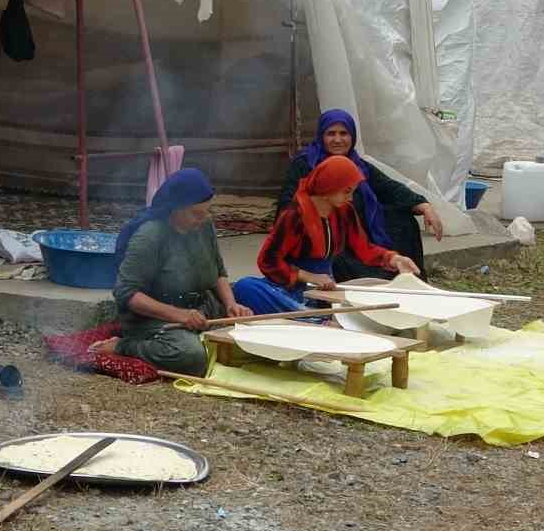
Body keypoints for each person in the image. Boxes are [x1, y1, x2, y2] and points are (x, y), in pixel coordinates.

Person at [87, 168, 253, 376]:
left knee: (249, 338)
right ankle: (125, 346)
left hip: (203, 309)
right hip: (155, 320)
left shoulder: (204, 225)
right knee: (193, 356)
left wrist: (231, 305)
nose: (204, 218)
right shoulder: (150, 236)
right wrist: (179, 315)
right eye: (196, 213)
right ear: (175, 209)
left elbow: (218, 270)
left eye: (207, 211)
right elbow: (126, 293)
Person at [276, 109, 442, 281]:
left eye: (344, 133)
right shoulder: (305, 164)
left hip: (358, 229)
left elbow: (388, 187)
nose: (338, 140)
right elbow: (287, 205)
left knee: (403, 222)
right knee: (335, 252)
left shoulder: (358, 164)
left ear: (352, 136)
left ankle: (408, 279)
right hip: (324, 234)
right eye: (331, 134)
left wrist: (424, 206)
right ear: (321, 136)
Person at [238, 156, 419, 313]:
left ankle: (311, 317)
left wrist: (394, 259)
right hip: (289, 287)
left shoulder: (345, 211)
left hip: (324, 288)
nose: (350, 198)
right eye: (346, 191)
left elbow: (363, 247)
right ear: (327, 188)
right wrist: (309, 277)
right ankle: (309, 317)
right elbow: (268, 260)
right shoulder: (295, 215)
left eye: (353, 191)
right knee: (245, 287)